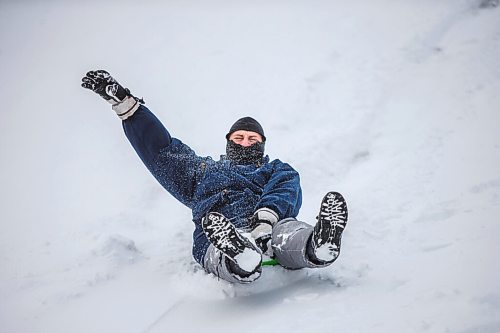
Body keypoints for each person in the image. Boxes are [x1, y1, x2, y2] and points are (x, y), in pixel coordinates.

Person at [81, 70, 348, 284]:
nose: (245, 142)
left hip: (272, 226)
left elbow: (285, 190)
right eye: (239, 137)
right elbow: (162, 151)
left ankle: (318, 245)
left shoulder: (276, 169)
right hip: (221, 230)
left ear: (262, 145)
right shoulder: (203, 171)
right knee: (212, 247)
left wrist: (265, 221)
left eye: (252, 139)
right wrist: (128, 106)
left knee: (289, 233)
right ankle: (238, 258)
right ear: (228, 142)